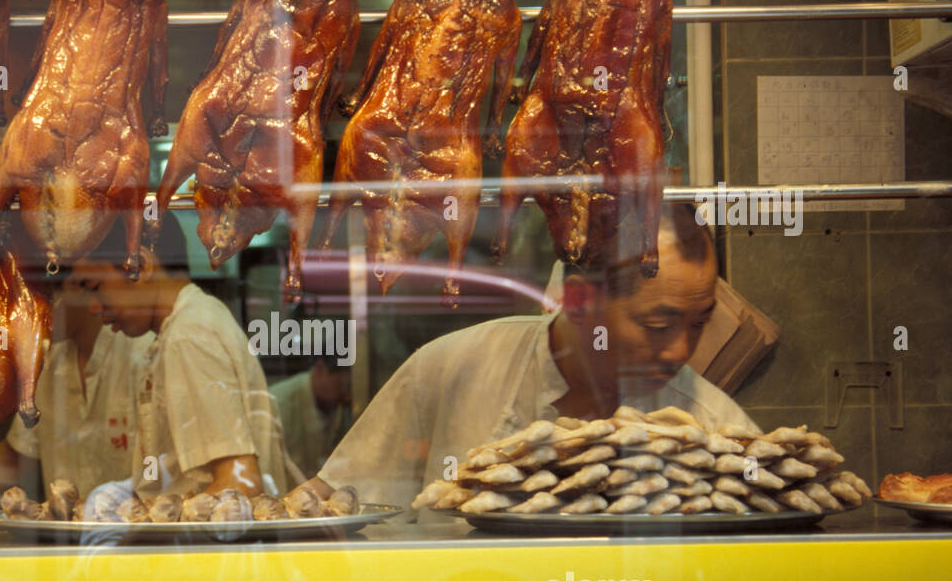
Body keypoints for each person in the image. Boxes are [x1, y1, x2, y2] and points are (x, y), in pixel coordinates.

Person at [308, 206, 760, 515]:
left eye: (699, 323)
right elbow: (331, 503)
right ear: (580, 302)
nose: (681, 351)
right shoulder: (452, 369)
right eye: (657, 327)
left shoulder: (714, 429)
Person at [68, 218, 297, 500]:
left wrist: (147, 530)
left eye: (94, 286)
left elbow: (241, 485)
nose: (92, 307)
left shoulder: (188, 335)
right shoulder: (189, 324)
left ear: (140, 266)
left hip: (214, 544)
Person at [0, 278, 153, 510]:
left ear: (75, 285)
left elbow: (166, 471)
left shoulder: (144, 355)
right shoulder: (49, 362)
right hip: (66, 546)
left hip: (141, 544)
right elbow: (14, 458)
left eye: (33, 301)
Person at [270, 357, 352, 480]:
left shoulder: (332, 401)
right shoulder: (279, 403)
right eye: (341, 385)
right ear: (320, 369)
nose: (347, 397)